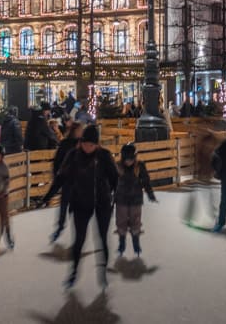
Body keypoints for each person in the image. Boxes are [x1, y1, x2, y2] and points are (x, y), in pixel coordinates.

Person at [42, 125, 118, 290]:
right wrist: (46, 197)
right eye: (85, 144)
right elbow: (60, 178)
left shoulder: (104, 156)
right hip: (80, 204)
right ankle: (74, 272)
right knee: (79, 241)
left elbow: (115, 179)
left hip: (102, 204)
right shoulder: (74, 156)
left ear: (97, 144)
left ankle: (103, 273)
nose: (88, 148)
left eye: (91, 145)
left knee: (102, 239)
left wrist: (114, 198)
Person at [115, 142, 156, 256]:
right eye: (126, 159)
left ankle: (136, 242)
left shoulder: (139, 166)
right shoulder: (117, 166)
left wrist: (150, 194)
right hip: (121, 199)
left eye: (131, 159)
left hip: (136, 199)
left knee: (135, 221)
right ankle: (121, 243)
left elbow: (146, 181)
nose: (129, 162)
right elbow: (111, 182)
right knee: (121, 222)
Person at [50, 121, 84, 242]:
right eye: (80, 130)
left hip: (79, 183)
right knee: (64, 204)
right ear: (75, 131)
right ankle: (60, 227)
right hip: (67, 179)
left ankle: (77, 233)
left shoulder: (83, 144)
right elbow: (57, 160)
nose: (82, 132)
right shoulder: (66, 144)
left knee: (76, 208)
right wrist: (57, 175)